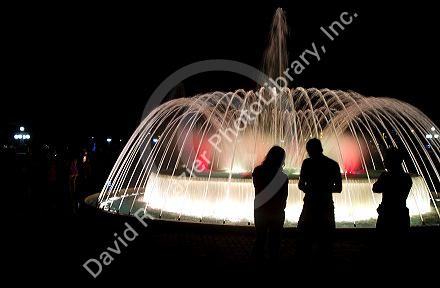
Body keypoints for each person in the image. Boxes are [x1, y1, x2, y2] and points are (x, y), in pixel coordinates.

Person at [297, 138, 342, 263]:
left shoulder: (307, 163)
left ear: (309, 150)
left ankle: (305, 263)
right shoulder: (333, 164)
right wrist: (325, 190)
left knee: (305, 237)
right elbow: (338, 188)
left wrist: (311, 190)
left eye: (308, 150)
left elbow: (300, 185)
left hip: (310, 205)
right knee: (326, 239)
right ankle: (324, 264)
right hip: (326, 205)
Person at [252, 146, 289, 261]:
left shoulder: (258, 171)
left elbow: (257, 187)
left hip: (260, 209)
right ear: (282, 159)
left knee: (260, 237)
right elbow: (284, 197)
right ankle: (273, 262)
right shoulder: (283, 177)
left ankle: (258, 261)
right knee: (275, 240)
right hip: (276, 212)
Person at [373, 148, 412, 235]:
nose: (383, 161)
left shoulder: (386, 177)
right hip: (402, 214)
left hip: (387, 216)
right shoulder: (406, 178)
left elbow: (375, 189)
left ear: (392, 161)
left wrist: (383, 177)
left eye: (386, 158)